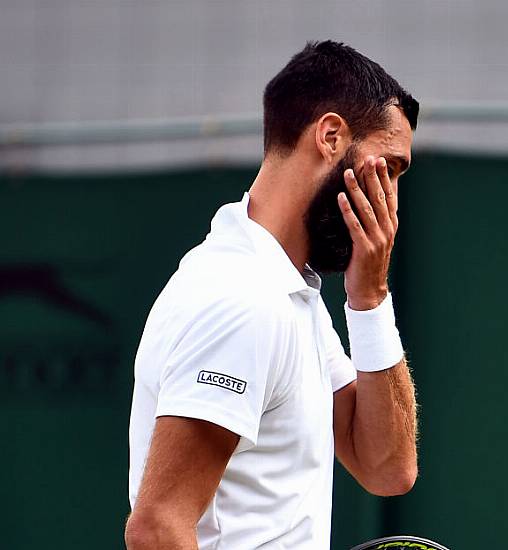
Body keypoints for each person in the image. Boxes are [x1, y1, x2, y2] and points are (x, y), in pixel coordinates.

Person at [125, 40, 419, 550]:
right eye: (388, 167)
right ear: (330, 136)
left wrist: (369, 300)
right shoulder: (242, 300)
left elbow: (387, 468)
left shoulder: (288, 293)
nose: (391, 198)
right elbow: (157, 529)